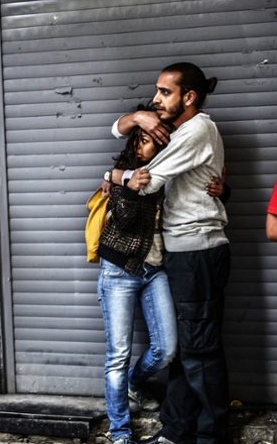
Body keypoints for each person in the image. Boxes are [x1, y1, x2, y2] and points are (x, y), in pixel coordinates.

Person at [108, 63, 231, 444]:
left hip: (198, 251)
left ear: (189, 97)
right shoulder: (181, 131)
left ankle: (211, 436)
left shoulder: (197, 130)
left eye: (165, 92)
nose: (158, 99)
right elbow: (120, 132)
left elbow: (143, 182)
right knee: (187, 348)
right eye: (157, 92)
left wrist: (113, 177)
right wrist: (137, 117)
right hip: (181, 253)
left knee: (200, 350)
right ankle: (177, 430)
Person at [98, 116, 177, 444]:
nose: (138, 145)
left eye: (146, 140)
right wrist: (125, 185)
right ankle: (120, 433)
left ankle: (135, 381)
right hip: (119, 270)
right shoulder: (126, 175)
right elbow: (126, 223)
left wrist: (223, 190)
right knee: (117, 354)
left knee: (167, 349)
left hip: (155, 270)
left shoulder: (170, 171)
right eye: (136, 140)